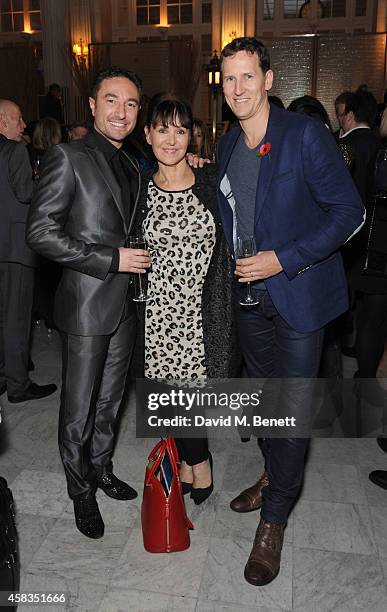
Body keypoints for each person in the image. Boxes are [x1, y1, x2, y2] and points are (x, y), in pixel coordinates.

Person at [216, 37, 364, 587]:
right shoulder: (230, 143)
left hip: (299, 295)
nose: (237, 89)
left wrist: (283, 259)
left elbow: (350, 213)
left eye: (247, 77)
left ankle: (274, 519)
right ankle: (272, 474)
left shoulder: (305, 135)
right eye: (228, 79)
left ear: (269, 79)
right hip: (250, 301)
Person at [26, 67, 151, 539]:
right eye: (113, 101)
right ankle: (80, 490)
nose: (122, 112)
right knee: (78, 407)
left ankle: (99, 467)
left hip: (125, 305)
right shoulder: (68, 156)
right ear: (93, 106)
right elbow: (39, 233)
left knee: (111, 400)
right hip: (85, 303)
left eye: (132, 104)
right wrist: (109, 258)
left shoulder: (132, 161)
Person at [136, 93, 239, 504]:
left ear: (192, 136)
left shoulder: (212, 182)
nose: (172, 140)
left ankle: (198, 461)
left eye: (180, 130)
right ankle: (192, 461)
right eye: (163, 129)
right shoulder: (137, 187)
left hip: (202, 310)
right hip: (157, 313)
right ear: (147, 134)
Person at [0, 99, 57, 403]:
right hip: (15, 250)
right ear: (2, 121)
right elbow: (25, 193)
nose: (23, 126)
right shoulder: (15, 150)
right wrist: (44, 185)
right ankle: (19, 385)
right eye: (19, 119)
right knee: (16, 320)